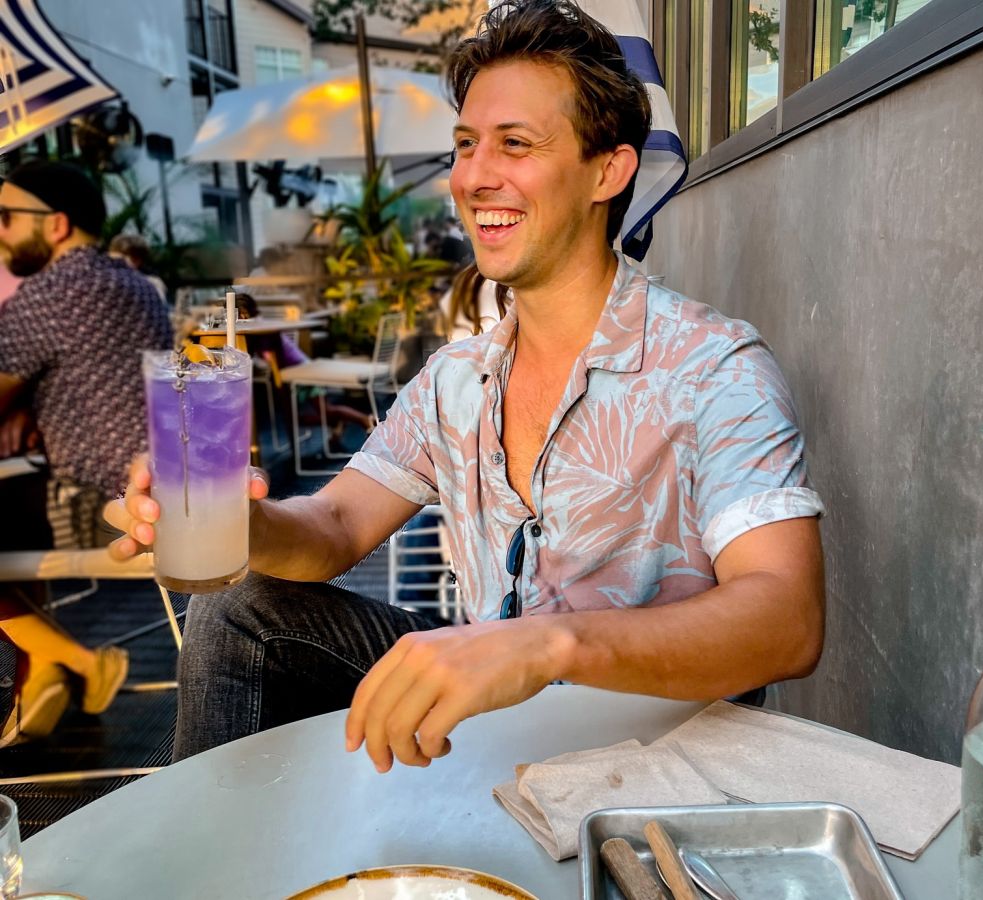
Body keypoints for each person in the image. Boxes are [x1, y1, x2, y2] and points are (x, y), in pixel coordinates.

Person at [107, 0, 825, 769]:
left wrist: (543, 645)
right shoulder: (458, 378)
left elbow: (787, 619)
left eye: (515, 145)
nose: (474, 177)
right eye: (465, 146)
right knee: (234, 603)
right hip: (492, 728)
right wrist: (247, 526)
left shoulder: (713, 367)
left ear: (608, 170)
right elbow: (337, 527)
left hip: (653, 750)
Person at [0, 160, 174, 746]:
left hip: (100, 508)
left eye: (6, 217)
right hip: (161, 491)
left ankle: (66, 660)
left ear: (55, 225)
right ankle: (47, 671)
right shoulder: (134, 284)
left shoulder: (46, 296)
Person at [108, 233, 167, 299]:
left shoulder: (153, 284)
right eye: (123, 255)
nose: (128, 261)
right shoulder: (103, 279)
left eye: (135, 258)